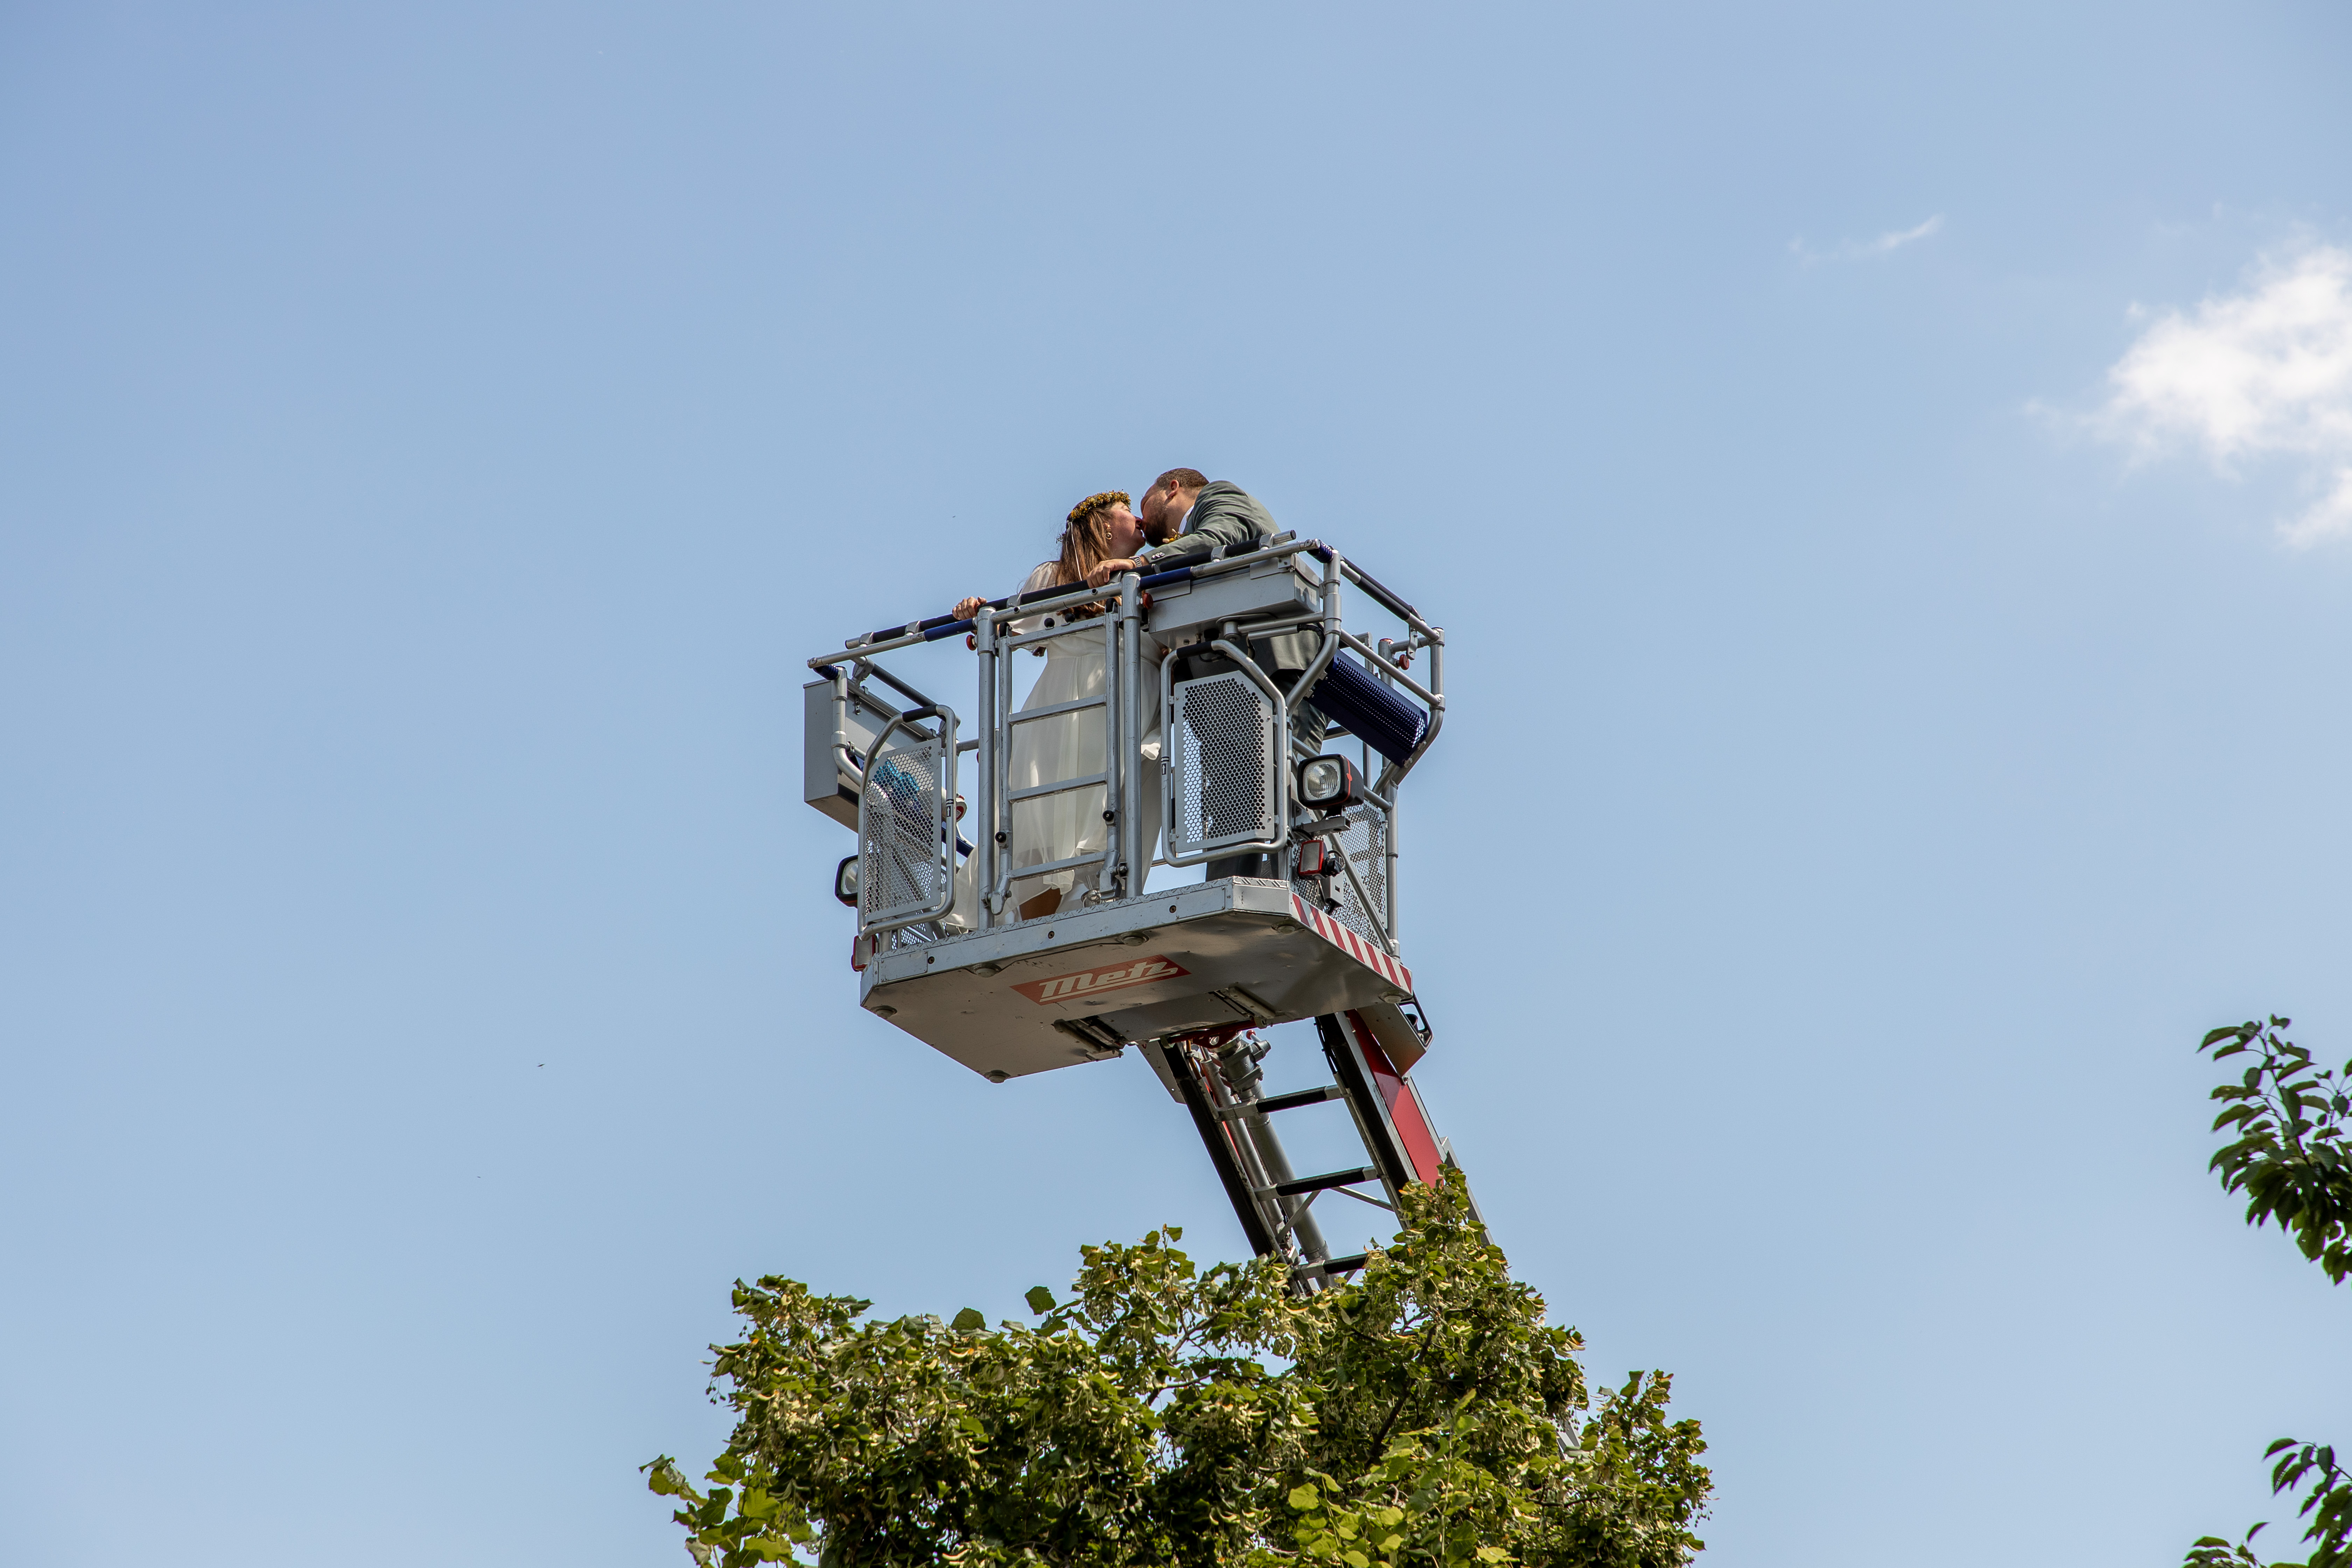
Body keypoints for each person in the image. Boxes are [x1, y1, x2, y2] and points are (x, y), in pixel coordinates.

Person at [1091, 470, 1326, 880]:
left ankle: (1274, 891)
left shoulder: (1218, 498)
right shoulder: (1185, 551)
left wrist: (1141, 562)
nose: (1142, 523)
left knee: (1276, 789)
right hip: (1229, 684)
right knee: (1237, 795)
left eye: (1143, 503)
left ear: (1172, 489)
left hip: (1272, 669)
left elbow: (1222, 535)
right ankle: (1235, 889)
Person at [945, 492, 1164, 924]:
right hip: (1063, 708)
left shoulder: (1153, 570)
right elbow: (1007, 629)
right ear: (1103, 525)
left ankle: (1101, 917)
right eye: (1127, 513)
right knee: (1042, 829)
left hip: (1128, 704)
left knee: (1113, 818)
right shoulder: (1055, 575)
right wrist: (977, 611)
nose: (1140, 519)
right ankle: (1031, 934)